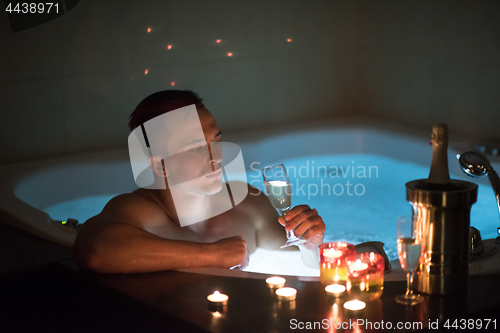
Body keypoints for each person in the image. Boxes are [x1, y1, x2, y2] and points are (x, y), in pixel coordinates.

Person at [73, 90, 326, 274]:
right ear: (159, 164)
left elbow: (307, 266)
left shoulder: (246, 202)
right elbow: (96, 251)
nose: (215, 157)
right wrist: (212, 254)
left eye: (215, 141)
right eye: (195, 148)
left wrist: (310, 244)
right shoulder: (141, 211)